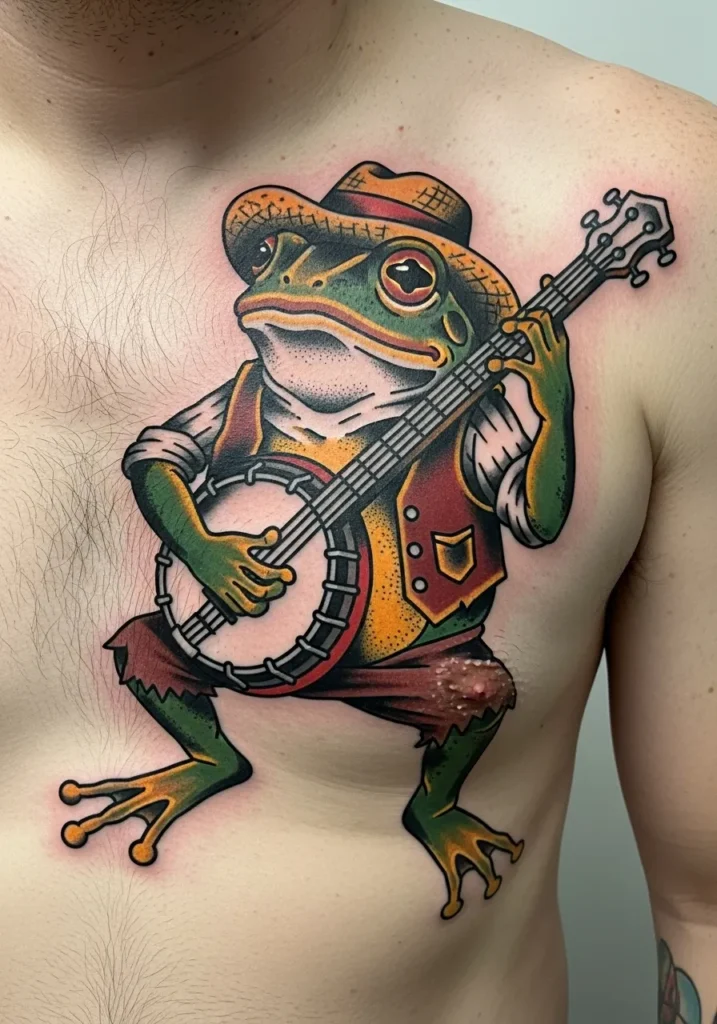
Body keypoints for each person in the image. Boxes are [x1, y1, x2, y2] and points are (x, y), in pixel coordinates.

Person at [0, 1, 714, 1021]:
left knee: (472, 692)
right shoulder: (247, 400)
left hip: (396, 653)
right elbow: (159, 460)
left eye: (397, 275)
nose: (302, 284)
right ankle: (208, 755)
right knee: (146, 647)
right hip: (236, 630)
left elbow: (708, 905)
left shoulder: (682, 189)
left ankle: (435, 805)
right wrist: (201, 546)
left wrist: (552, 399)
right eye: (283, 257)